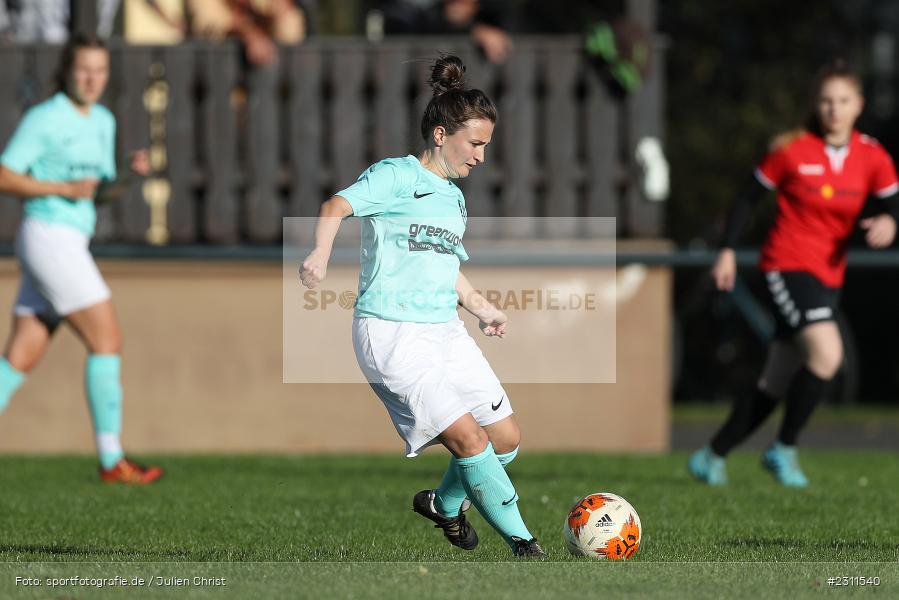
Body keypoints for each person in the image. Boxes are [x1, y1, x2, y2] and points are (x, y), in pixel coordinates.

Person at [299, 54, 543, 556]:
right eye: (474, 144)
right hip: (392, 333)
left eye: (485, 146)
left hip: (445, 331)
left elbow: (446, 264)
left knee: (506, 439)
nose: (480, 156)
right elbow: (334, 206)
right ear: (439, 134)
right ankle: (527, 546)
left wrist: (480, 307)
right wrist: (320, 253)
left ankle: (445, 504)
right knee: (470, 440)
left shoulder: (454, 199)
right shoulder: (395, 175)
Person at [689, 61, 899, 487]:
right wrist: (727, 251)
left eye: (843, 101)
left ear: (858, 106)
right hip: (785, 266)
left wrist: (890, 223)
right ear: (815, 105)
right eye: (825, 101)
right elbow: (746, 200)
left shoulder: (872, 157)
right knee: (827, 353)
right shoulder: (792, 150)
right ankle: (783, 449)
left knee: (777, 378)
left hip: (828, 277)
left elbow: (893, 206)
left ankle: (711, 455)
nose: (834, 110)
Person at [0, 33, 163, 484]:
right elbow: (4, 174)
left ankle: (113, 460)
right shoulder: (44, 118)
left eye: (100, 70)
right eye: (83, 69)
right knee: (107, 340)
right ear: (67, 72)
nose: (92, 79)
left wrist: (128, 178)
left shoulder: (104, 121)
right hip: (49, 236)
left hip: (68, 240)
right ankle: (112, 460)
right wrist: (60, 189)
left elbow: (99, 193)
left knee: (18, 359)